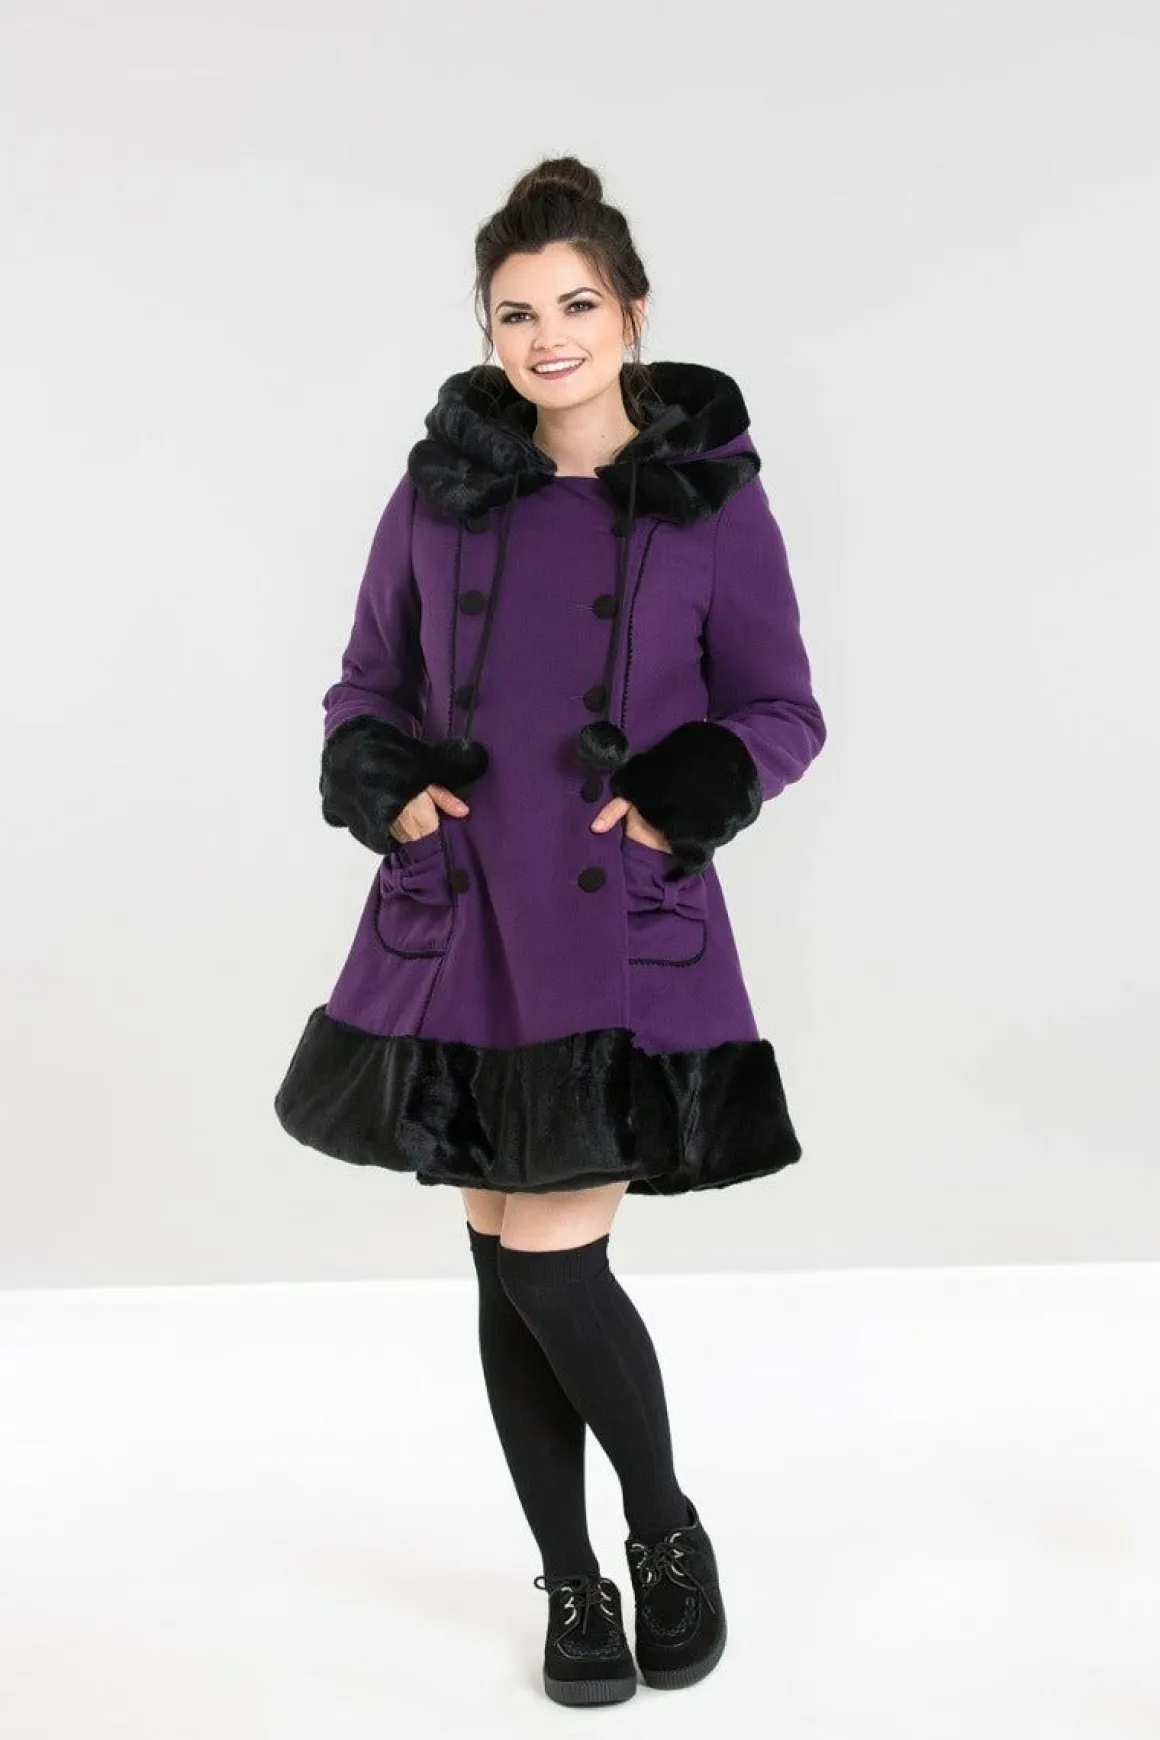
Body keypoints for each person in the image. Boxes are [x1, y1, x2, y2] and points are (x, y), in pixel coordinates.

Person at [274, 154, 827, 1705]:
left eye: (577, 304)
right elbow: (365, 680)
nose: (549, 336)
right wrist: (383, 788)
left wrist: (677, 799)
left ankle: (666, 1534)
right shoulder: (438, 493)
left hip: (612, 930)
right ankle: (572, 1584)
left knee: (550, 1266)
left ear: (633, 312)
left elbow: (781, 708)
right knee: (499, 1267)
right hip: (458, 923)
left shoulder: (709, 503)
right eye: (517, 312)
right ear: (490, 328)